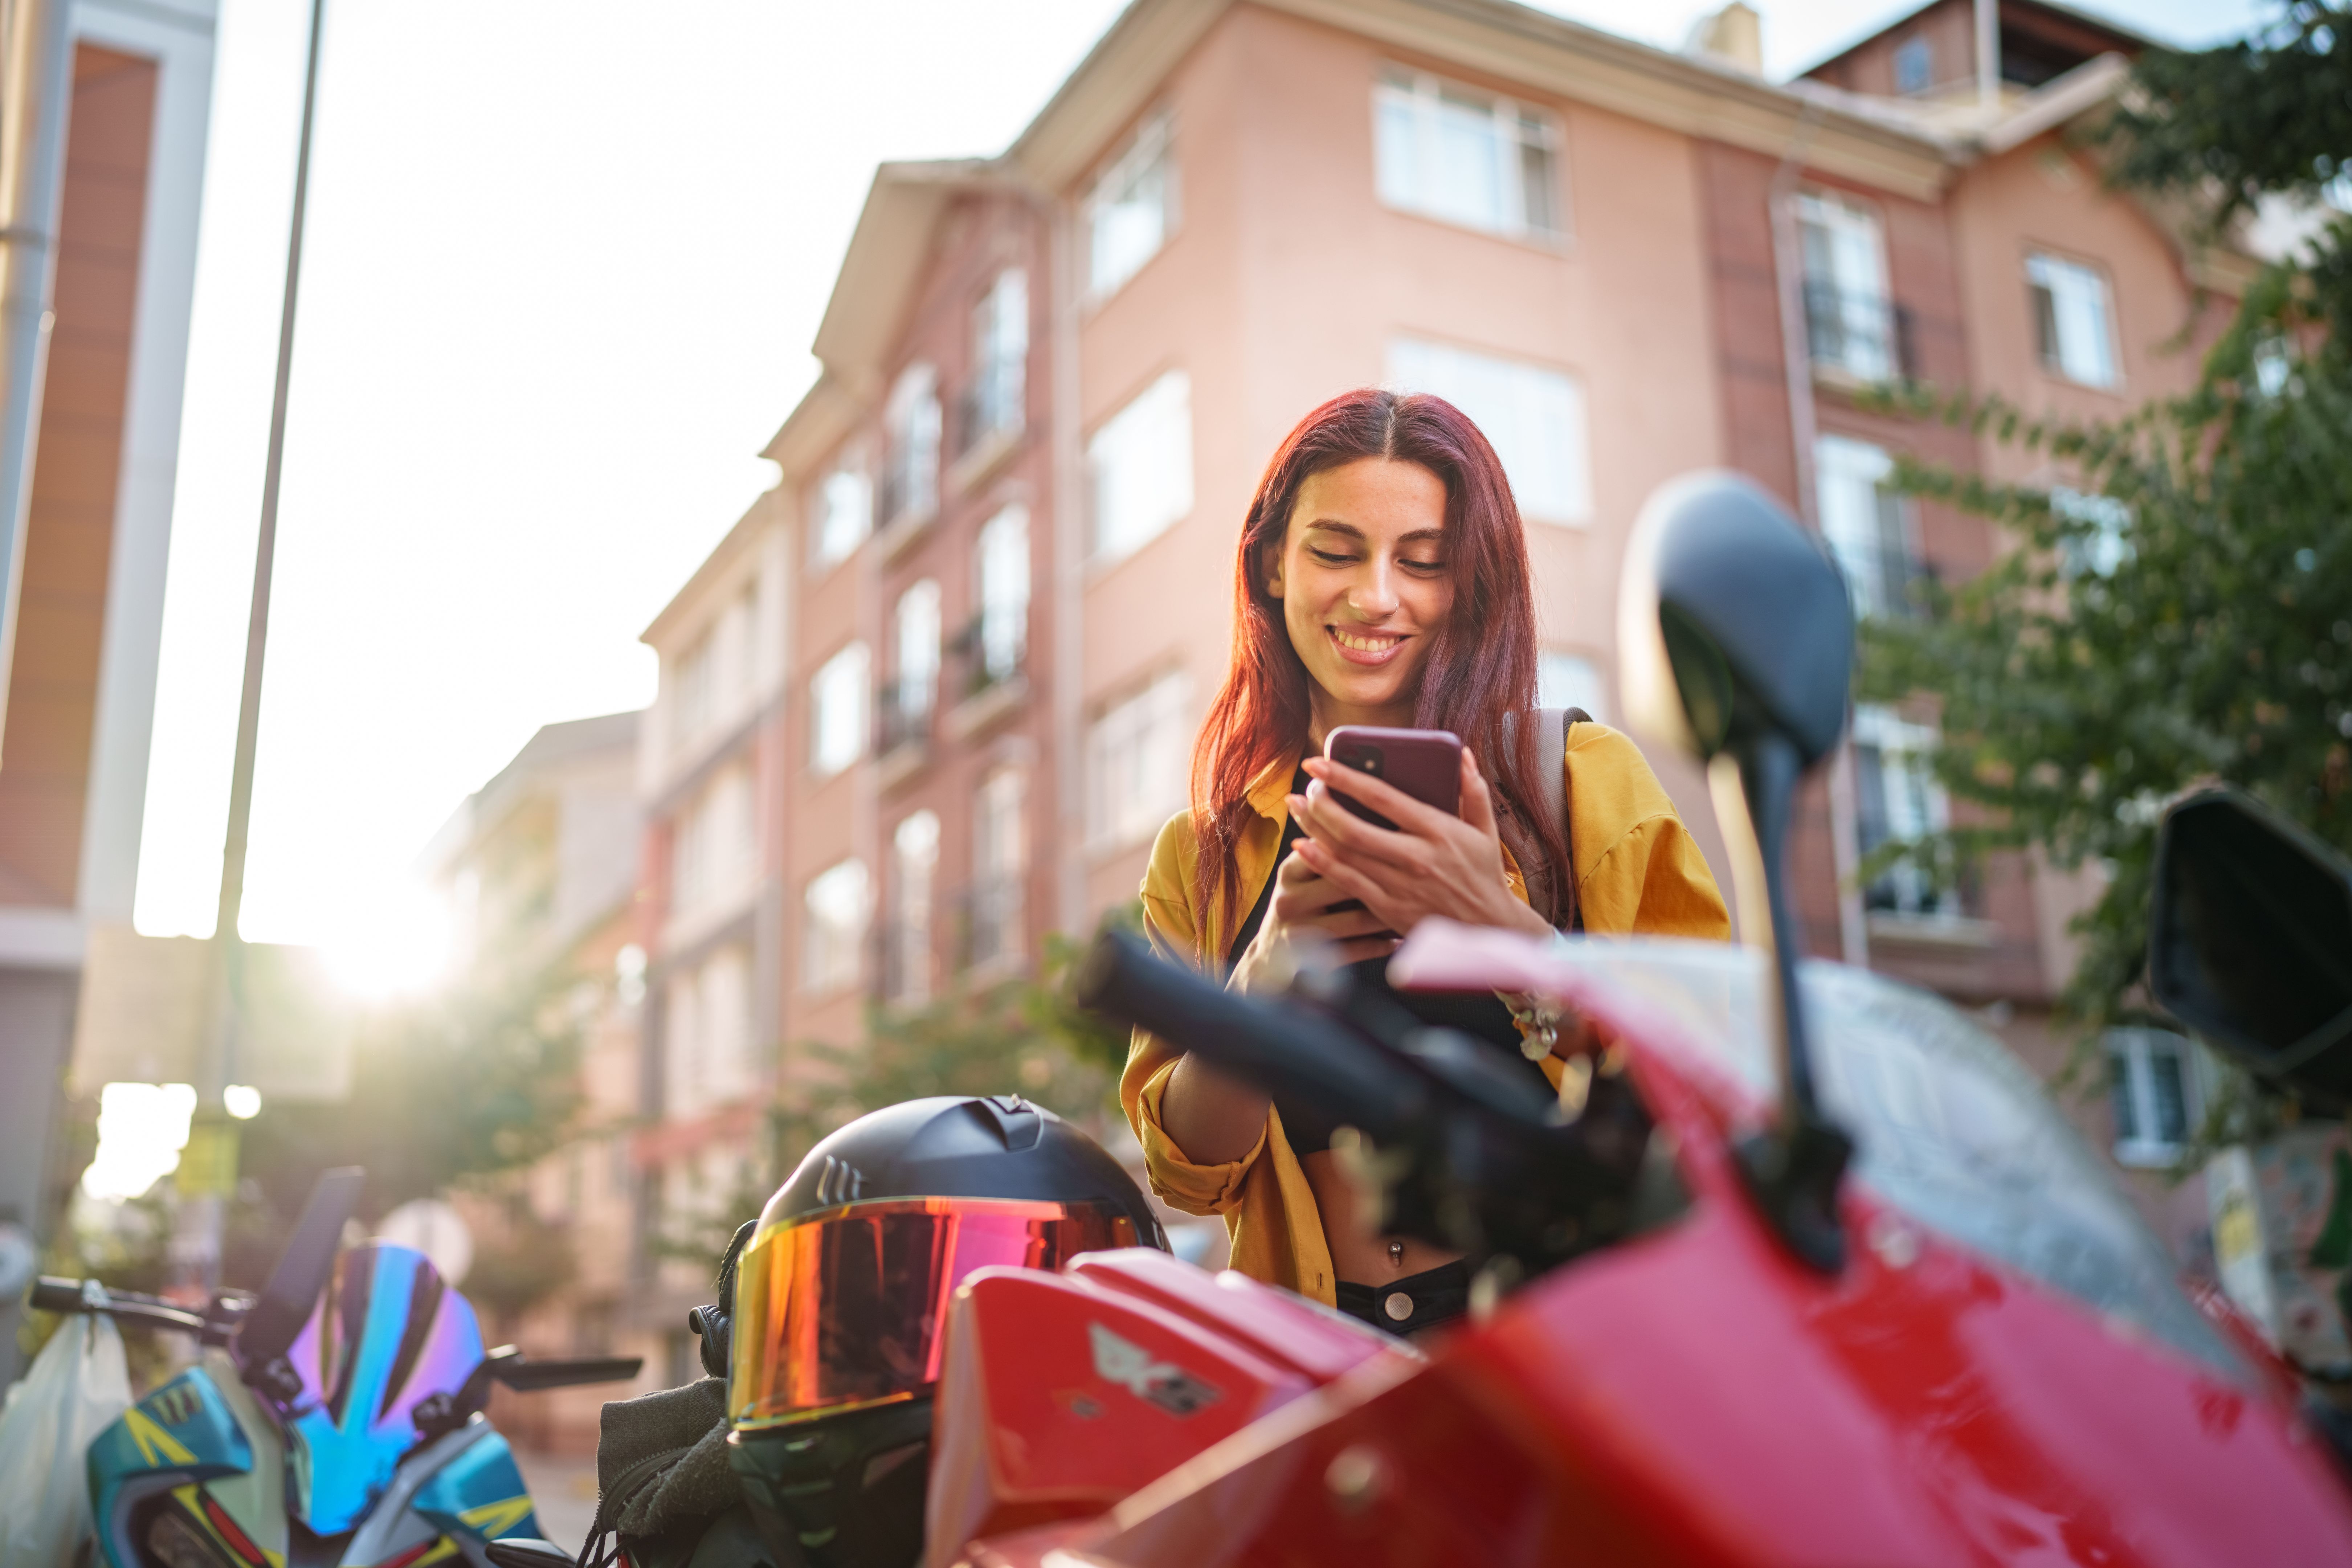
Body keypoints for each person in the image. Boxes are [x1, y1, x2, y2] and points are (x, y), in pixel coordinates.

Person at [1120, 388, 1730, 1336]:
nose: (1375, 597)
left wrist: (1503, 932)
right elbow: (1187, 1177)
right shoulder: (1206, 852)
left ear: (1472, 583)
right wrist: (1260, 983)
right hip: (1314, 1365)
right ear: (1273, 565)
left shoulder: (1579, 782)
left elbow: (1715, 1080)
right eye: (1335, 551)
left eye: (1425, 563)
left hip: (1560, 1354)